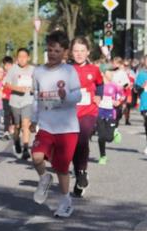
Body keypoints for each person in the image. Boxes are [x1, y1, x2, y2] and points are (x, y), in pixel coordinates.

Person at [31, 31, 83, 218]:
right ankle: (44, 177)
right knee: (36, 156)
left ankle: (65, 201)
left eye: (57, 51)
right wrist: (34, 119)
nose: (52, 54)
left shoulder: (69, 71)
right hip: (46, 125)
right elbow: (36, 98)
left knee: (62, 168)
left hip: (67, 127)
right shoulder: (38, 72)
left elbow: (78, 95)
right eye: (50, 50)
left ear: (64, 53)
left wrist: (65, 97)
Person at [69, 37, 103, 197]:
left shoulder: (94, 69)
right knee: (74, 145)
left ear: (88, 52)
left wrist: (99, 96)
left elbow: (100, 84)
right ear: (71, 52)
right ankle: (80, 175)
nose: (79, 54)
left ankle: (81, 171)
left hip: (89, 111)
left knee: (82, 138)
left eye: (82, 51)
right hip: (70, 112)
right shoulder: (66, 69)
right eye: (76, 50)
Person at [5, 48, 36, 160]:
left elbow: (37, 84)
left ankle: (26, 148)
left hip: (28, 100)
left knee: (25, 124)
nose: (22, 59)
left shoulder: (33, 70)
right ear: (17, 58)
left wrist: (33, 89)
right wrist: (17, 88)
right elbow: (7, 84)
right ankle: (17, 140)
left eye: (24, 57)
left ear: (28, 58)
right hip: (15, 101)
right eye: (19, 57)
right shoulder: (13, 69)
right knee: (17, 126)